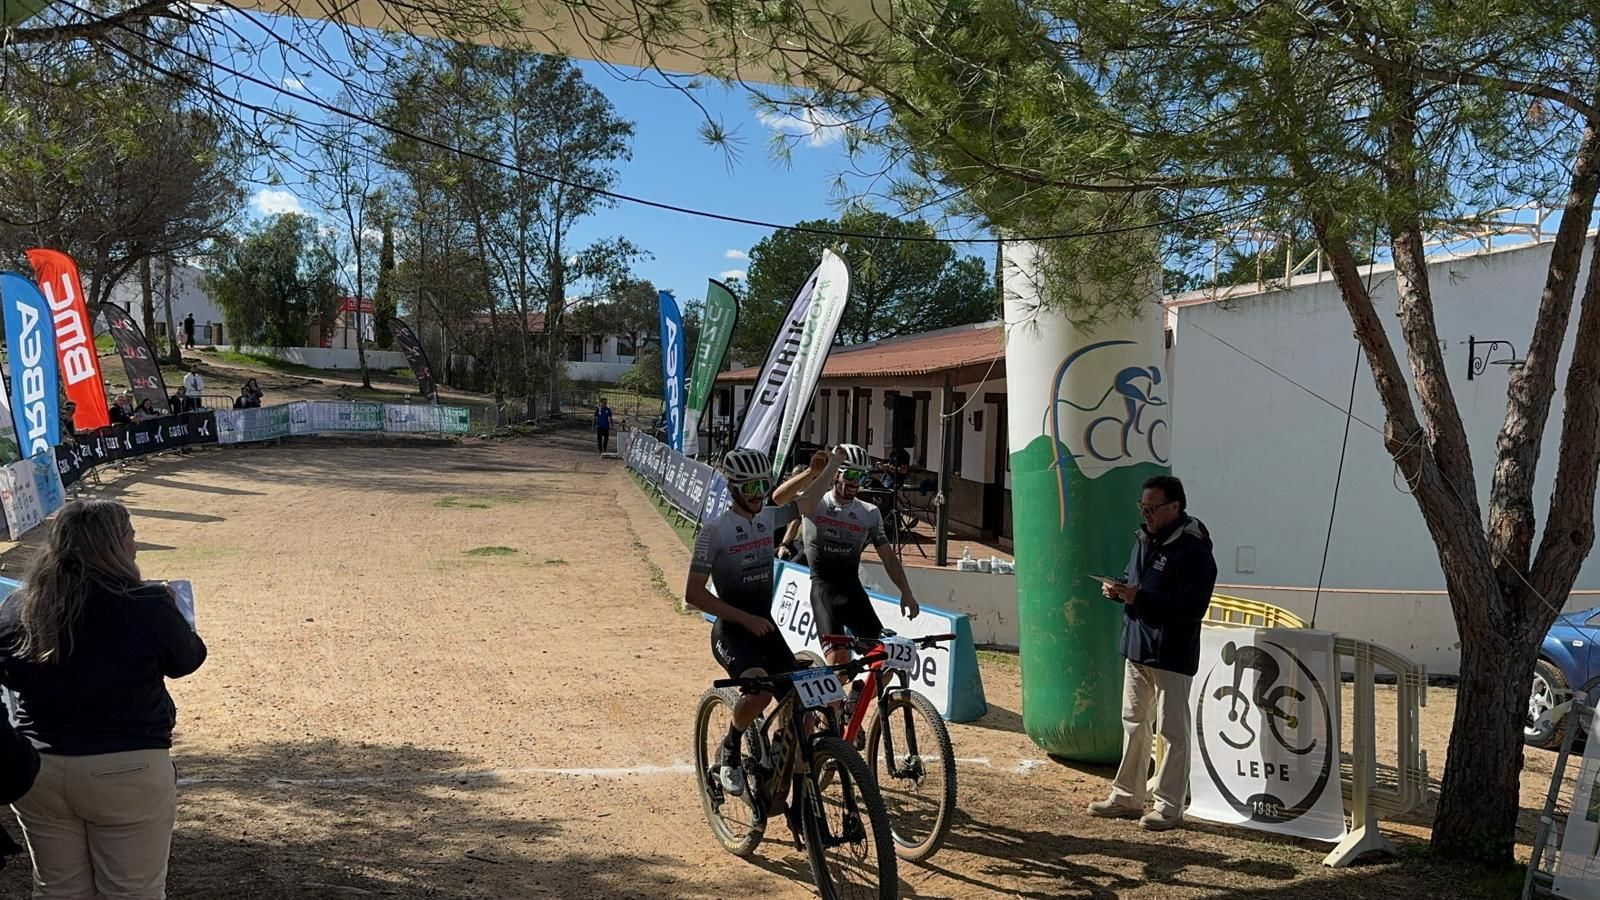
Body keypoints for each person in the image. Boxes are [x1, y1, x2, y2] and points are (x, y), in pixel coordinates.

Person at [0, 499, 208, 898]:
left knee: (57, 890)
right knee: (132, 891)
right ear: (115, 544)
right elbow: (187, 661)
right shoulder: (147, 605)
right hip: (127, 767)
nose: (134, 543)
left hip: (40, 767)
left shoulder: (19, 607)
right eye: (130, 535)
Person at [684, 446, 841, 798]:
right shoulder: (715, 531)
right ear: (733, 489)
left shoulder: (767, 519)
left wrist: (832, 466)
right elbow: (694, 595)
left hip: (765, 627)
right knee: (760, 692)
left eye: (762, 485)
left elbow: (808, 501)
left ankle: (788, 779)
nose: (757, 495)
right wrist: (746, 619)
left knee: (801, 706)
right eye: (749, 487)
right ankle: (731, 747)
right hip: (732, 629)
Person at [1088, 474, 1217, 832]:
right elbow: (1134, 578)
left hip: (1171, 654)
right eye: (1142, 507)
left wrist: (1139, 598)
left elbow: (1192, 607)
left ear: (1175, 507)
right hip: (1137, 647)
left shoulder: (1193, 550)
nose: (1146, 513)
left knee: (1172, 733)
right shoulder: (1144, 538)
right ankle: (1127, 797)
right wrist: (1118, 589)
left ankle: (1169, 807)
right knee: (1133, 723)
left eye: (1152, 508)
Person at [795, 443, 919, 717]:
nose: (856, 483)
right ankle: (824, 723)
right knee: (839, 666)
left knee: (889, 660)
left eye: (862, 478)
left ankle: (853, 705)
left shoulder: (869, 513)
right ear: (837, 474)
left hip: (852, 591)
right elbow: (799, 502)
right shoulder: (817, 503)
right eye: (851, 476)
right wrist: (823, 469)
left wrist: (906, 591)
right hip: (824, 590)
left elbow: (887, 556)